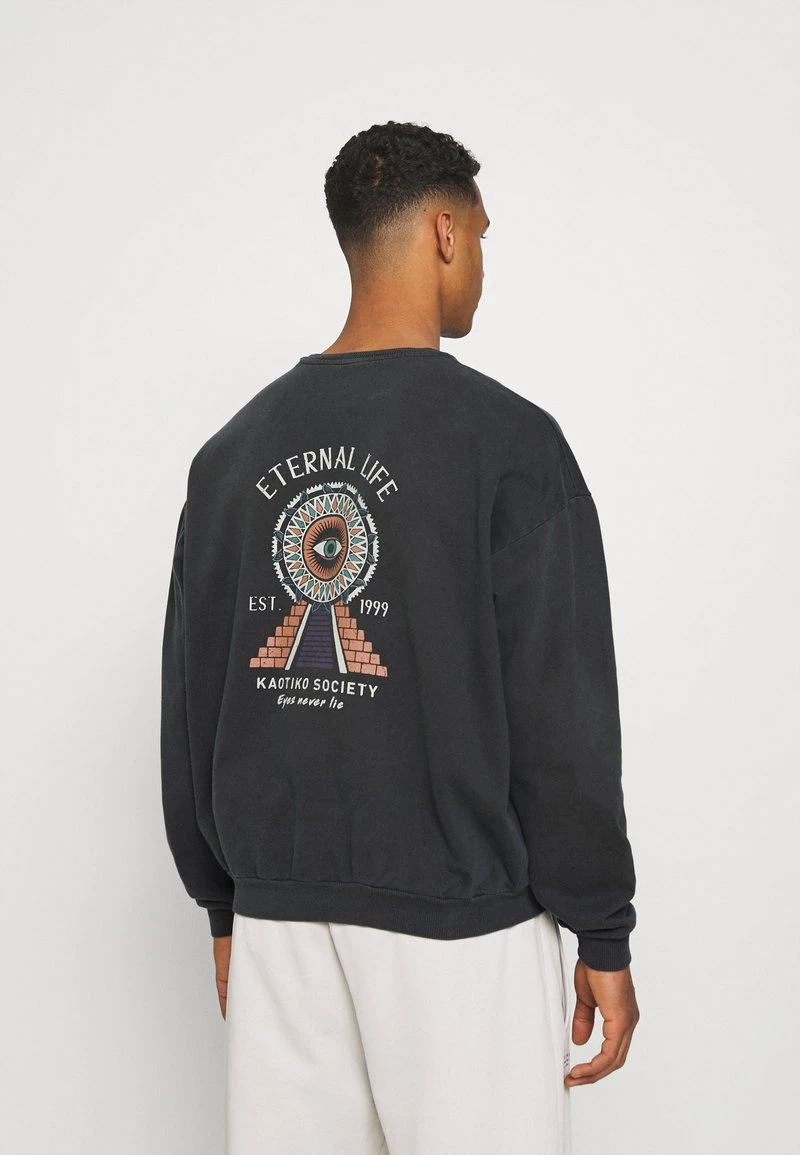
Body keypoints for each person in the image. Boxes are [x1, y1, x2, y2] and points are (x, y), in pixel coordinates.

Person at [160, 119, 640, 1155]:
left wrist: (225, 905)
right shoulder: (509, 445)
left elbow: (192, 696)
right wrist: (602, 923)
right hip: (460, 931)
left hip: (281, 926)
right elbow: (559, 712)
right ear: (443, 233)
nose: (483, 267)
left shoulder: (229, 454)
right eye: (482, 235)